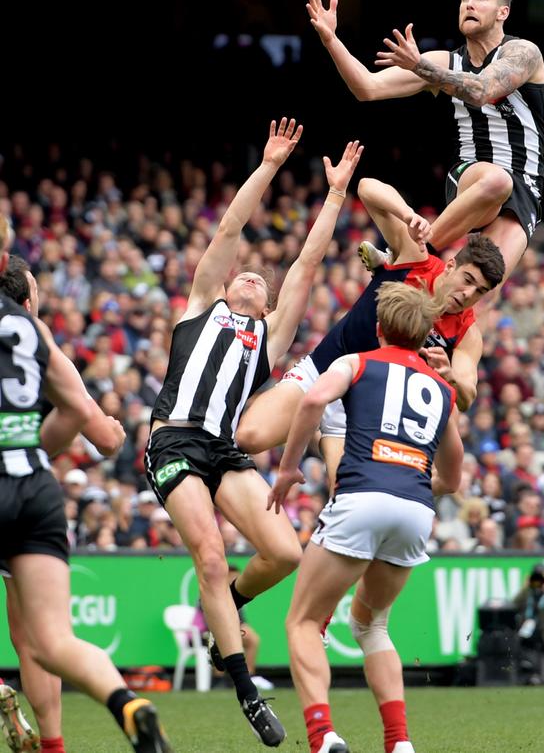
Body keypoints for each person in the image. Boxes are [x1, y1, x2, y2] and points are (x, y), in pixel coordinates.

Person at [145, 118, 363, 746]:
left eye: (260, 283)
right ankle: (245, 688)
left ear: (268, 308)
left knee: (287, 553)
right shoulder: (199, 307)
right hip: (175, 440)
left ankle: (231, 612)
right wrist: (268, 166)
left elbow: (309, 260)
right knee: (209, 556)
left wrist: (335, 195)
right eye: (245, 275)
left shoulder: (268, 338)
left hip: (224, 451)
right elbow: (230, 230)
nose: (251, 276)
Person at [0, 219, 174, 753]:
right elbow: (91, 424)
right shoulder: (33, 332)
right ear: (27, 296)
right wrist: (28, 440)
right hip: (32, 484)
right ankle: (129, 705)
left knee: (28, 640)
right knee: (50, 640)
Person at [267, 282, 463, 753]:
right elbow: (453, 476)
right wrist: (410, 481)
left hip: (361, 498)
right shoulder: (442, 388)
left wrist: (289, 465)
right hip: (416, 509)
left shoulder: (357, 361)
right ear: (423, 336)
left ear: (378, 328)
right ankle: (399, 742)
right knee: (371, 625)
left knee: (303, 622)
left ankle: (322, 736)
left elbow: (313, 400)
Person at [236, 178, 505, 486]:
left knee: (348, 493)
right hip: (324, 369)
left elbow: (467, 394)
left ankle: (326, 434)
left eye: (479, 291)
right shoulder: (416, 258)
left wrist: (451, 376)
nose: (468, 293)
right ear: (451, 265)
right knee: (248, 437)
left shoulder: (467, 333)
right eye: (467, 279)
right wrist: (407, 215)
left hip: (362, 409)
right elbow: (366, 188)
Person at [306, 0, 544, 288]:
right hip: (472, 176)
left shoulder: (523, 52)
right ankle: (409, 250)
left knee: (476, 287)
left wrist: (420, 65)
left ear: (503, 12)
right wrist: (330, 39)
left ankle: (404, 261)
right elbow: (367, 88)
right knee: (496, 181)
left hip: (526, 188)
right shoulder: (444, 61)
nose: (469, 4)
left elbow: (482, 90)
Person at [513, 564, 544, 686]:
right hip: (527, 640)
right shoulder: (527, 593)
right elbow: (514, 605)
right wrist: (525, 587)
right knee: (524, 674)